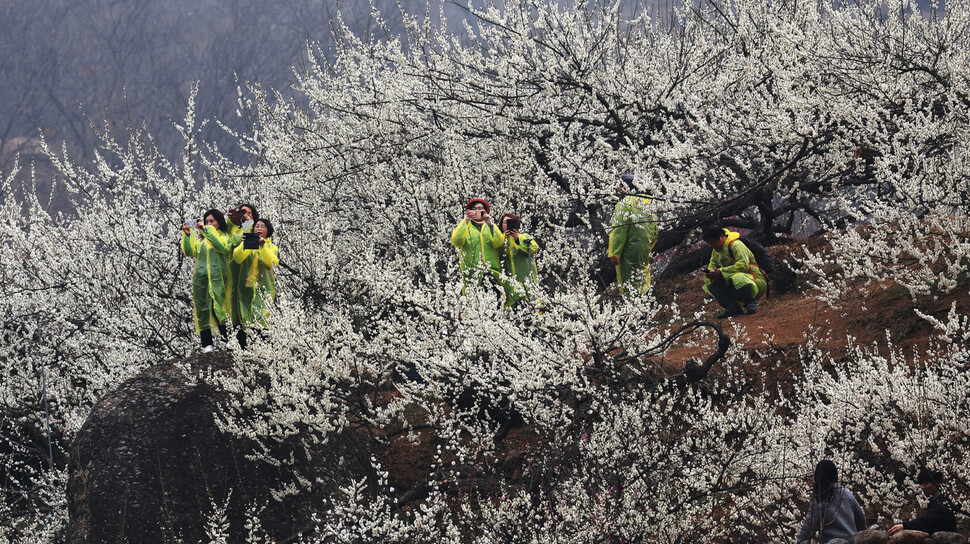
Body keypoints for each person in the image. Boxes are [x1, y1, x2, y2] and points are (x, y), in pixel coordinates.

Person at [181, 209, 232, 352]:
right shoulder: (201, 241)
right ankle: (207, 343)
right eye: (206, 221)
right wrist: (187, 235)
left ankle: (228, 338)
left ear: (219, 222)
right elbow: (190, 252)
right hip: (202, 279)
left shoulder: (224, 237)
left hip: (219, 279)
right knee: (203, 309)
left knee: (220, 308)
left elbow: (223, 247)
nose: (208, 224)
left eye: (212, 221)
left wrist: (207, 231)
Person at [231, 218, 279, 349]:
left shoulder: (271, 247)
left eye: (263, 227)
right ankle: (245, 345)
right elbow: (237, 257)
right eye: (257, 226)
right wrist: (245, 243)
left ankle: (262, 345)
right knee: (246, 315)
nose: (259, 228)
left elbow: (272, 262)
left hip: (265, 288)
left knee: (262, 315)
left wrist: (262, 247)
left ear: (268, 231)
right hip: (246, 287)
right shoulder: (248, 244)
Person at [700, 224, 767, 318]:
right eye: (710, 244)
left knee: (738, 278)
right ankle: (732, 307)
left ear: (721, 237)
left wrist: (721, 271)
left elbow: (743, 266)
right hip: (736, 283)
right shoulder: (716, 251)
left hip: (755, 281)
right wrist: (710, 274)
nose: (713, 246)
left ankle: (750, 302)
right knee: (711, 285)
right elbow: (712, 265)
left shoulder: (736, 245)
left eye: (714, 243)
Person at [795, 460, 867, 544]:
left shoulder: (820, 497)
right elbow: (861, 519)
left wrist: (799, 541)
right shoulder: (846, 493)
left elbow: (809, 526)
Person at [608, 174, 657, 296]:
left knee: (629, 282)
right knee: (642, 279)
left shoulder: (625, 204)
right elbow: (655, 231)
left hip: (628, 251)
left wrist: (614, 252)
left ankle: (632, 308)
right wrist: (648, 247)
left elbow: (619, 231)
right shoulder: (648, 202)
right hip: (643, 249)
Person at [451, 198, 505, 295]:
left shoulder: (490, 226)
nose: (477, 211)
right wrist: (465, 221)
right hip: (471, 271)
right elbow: (456, 241)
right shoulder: (467, 226)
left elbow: (499, 242)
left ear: (485, 211)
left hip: (491, 271)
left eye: (480, 208)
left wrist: (490, 224)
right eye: (474, 209)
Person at [888, 469, 959, 537]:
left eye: (925, 483)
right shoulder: (937, 501)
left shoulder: (944, 502)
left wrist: (904, 526)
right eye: (921, 484)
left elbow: (927, 520)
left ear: (936, 482)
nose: (922, 487)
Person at [497, 213, 539, 307]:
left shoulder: (525, 237)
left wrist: (518, 238)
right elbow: (499, 253)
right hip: (509, 286)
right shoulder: (499, 240)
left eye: (510, 222)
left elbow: (533, 248)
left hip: (527, 282)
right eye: (505, 222)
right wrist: (504, 239)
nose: (507, 224)